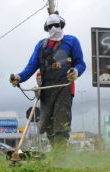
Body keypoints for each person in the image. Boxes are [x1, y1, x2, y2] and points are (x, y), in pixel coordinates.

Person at [10, 13, 86, 151]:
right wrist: (19, 77)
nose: (54, 28)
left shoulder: (72, 41)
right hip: (46, 90)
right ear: (46, 28)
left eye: (56, 25)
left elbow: (81, 63)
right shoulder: (41, 45)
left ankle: (60, 155)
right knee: (47, 124)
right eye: (50, 26)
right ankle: (57, 151)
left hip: (65, 87)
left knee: (61, 122)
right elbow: (31, 67)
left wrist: (76, 72)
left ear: (61, 25)